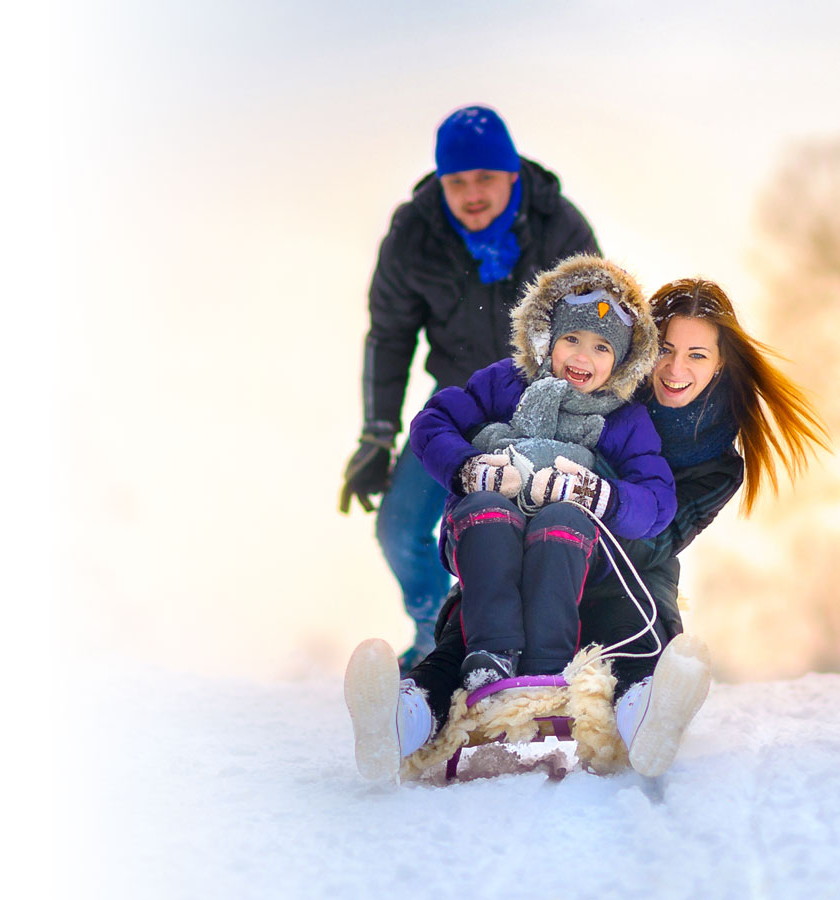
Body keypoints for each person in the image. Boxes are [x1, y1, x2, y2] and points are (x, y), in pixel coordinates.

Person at [344, 277, 829, 781]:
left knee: (633, 638)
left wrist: (592, 502)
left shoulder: (712, 460)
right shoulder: (602, 380)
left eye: (698, 355)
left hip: (623, 565)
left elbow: (658, 532)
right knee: (471, 629)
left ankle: (648, 718)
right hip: (525, 538)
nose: (676, 368)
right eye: (664, 349)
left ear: (721, 363)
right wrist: (477, 476)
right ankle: (402, 718)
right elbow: (446, 418)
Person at [345, 253, 679, 779]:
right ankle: (454, 683)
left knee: (560, 518)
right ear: (547, 336)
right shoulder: (506, 382)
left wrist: (600, 495)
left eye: (601, 347)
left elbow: (657, 500)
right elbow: (435, 421)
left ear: (622, 362)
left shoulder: (624, 419)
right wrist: (467, 467)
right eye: (571, 339)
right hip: (484, 537)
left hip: (570, 553)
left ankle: (547, 668)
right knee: (487, 508)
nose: (582, 357)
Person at [339, 105, 600, 672]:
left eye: (485, 177)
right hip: (459, 408)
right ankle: (438, 629)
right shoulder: (414, 234)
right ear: (440, 183)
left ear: (511, 174)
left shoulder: (559, 226)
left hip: (546, 407)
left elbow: (601, 324)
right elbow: (389, 336)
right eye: (457, 182)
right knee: (399, 528)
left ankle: (557, 646)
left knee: (541, 527)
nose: (472, 194)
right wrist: (377, 433)